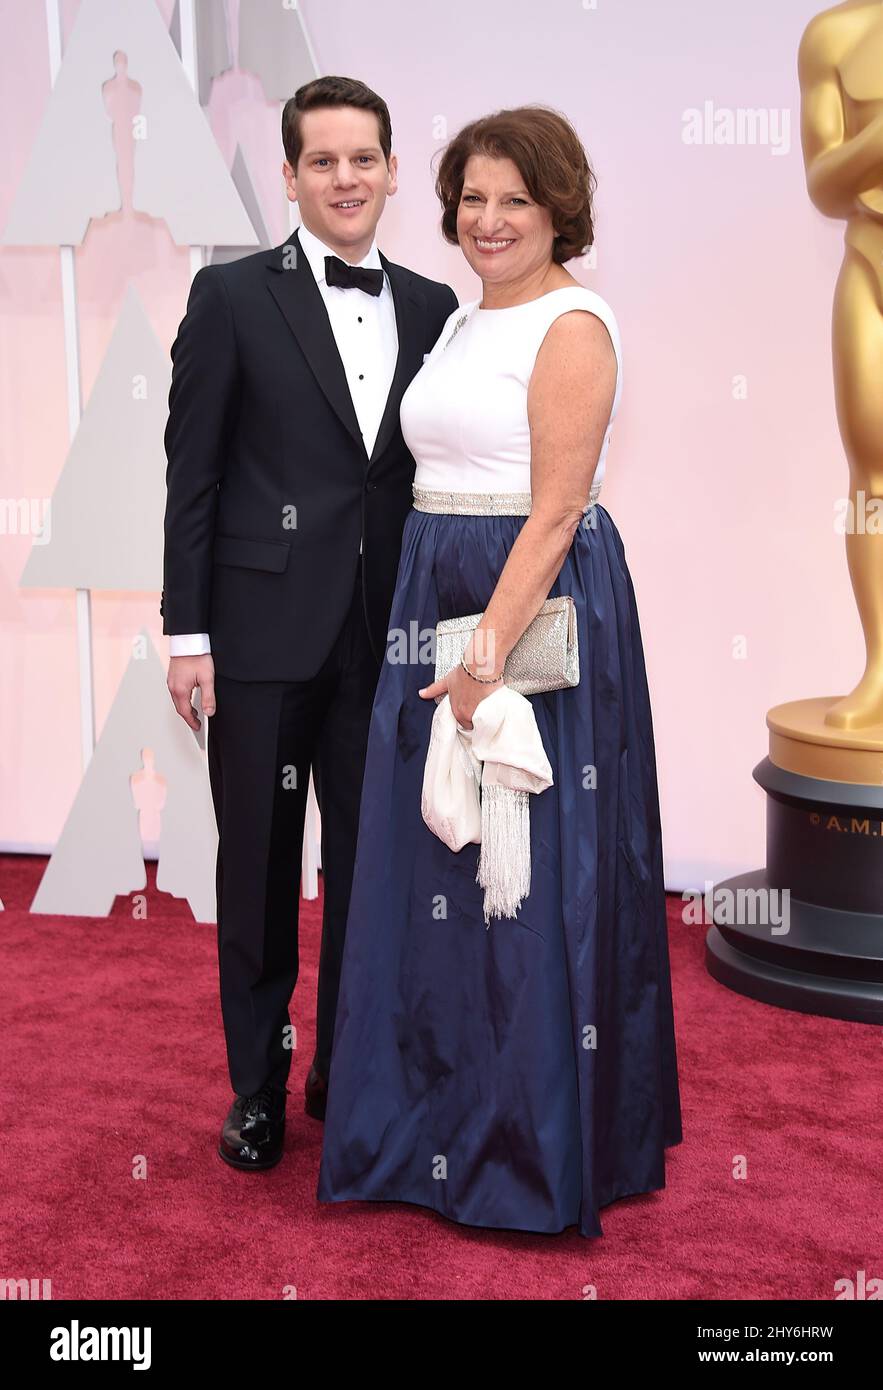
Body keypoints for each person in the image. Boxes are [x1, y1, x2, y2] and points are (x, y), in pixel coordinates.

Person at [318, 105, 682, 1237]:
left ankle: (526, 1147)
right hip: (435, 586)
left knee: (523, 879)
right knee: (428, 868)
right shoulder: (466, 323)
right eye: (472, 199)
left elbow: (559, 508)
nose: (487, 220)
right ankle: (427, 1126)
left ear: (558, 207)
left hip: (532, 602)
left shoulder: (573, 324)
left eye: (513, 200)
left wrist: (479, 662)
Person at [161, 77, 457, 1170]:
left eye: (363, 159)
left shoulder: (433, 306)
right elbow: (190, 478)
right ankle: (256, 1090)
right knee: (259, 873)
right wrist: (188, 634)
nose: (345, 178)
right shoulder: (232, 296)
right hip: (258, 638)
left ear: (389, 170)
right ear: (288, 176)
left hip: (388, 644)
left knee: (373, 874)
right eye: (322, 161)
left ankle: (346, 1070)